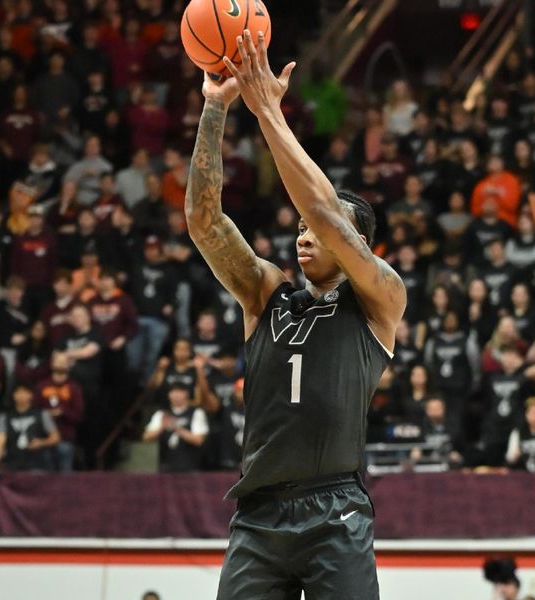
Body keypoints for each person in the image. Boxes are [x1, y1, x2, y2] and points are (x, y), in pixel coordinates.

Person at [191, 31, 405, 599]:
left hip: (335, 509)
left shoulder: (380, 298)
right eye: (301, 228)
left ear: (360, 246)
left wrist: (267, 112)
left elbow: (326, 211)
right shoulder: (267, 293)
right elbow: (204, 221)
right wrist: (215, 108)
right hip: (258, 513)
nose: (305, 234)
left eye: (320, 230)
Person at [0, 382, 60, 478]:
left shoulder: (41, 413)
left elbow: (56, 437)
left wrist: (42, 442)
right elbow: (0, 440)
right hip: (12, 461)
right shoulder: (5, 416)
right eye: (18, 393)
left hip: (37, 462)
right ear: (13, 396)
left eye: (25, 392)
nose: (21, 396)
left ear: (31, 395)